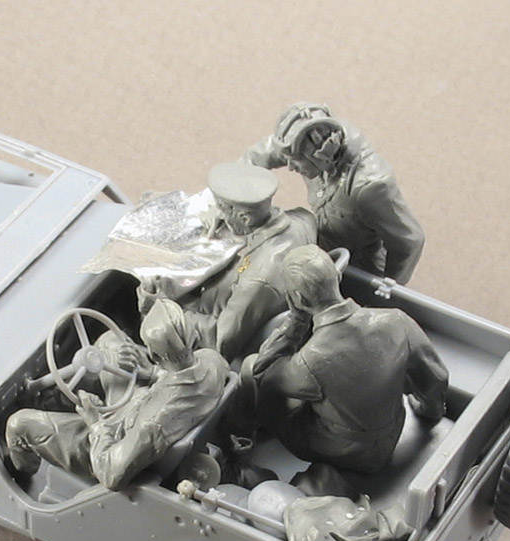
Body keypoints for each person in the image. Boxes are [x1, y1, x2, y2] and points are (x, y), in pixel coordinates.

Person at [250, 244, 448, 474]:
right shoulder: (397, 321)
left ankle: (240, 438)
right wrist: (431, 410)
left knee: (249, 367)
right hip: (390, 435)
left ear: (298, 299)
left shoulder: (310, 361)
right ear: (337, 276)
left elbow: (263, 371)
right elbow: (437, 376)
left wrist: (297, 321)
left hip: (345, 452)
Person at [6, 300, 228, 491]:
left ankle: (23, 475)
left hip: (112, 441)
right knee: (109, 341)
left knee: (18, 424)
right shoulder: (212, 361)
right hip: (143, 406)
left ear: (155, 355)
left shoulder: (150, 427)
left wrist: (95, 423)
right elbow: (181, 382)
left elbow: (109, 473)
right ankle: (58, 400)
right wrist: (151, 372)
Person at [139, 162, 315, 360]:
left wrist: (167, 309)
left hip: (227, 333)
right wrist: (224, 219)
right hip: (255, 305)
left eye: (223, 209)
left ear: (246, 219)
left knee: (149, 301)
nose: (220, 213)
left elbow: (221, 340)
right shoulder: (303, 219)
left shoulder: (257, 280)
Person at [242, 102, 425, 284]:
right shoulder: (308, 141)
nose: (290, 167)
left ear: (320, 156)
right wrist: (236, 196)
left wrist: (389, 286)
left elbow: (410, 240)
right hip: (320, 250)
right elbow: (257, 156)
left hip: (358, 268)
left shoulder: (370, 186)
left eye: (295, 161)